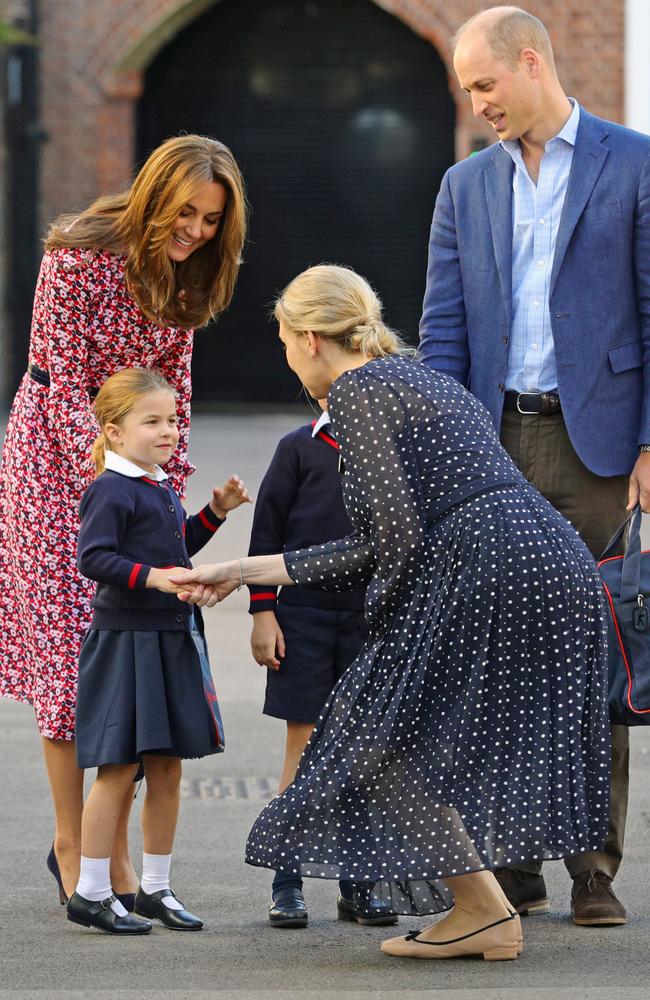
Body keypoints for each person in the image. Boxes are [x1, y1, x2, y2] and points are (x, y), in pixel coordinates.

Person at [171, 264, 610, 962]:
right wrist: (245, 571)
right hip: (550, 561)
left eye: (285, 342)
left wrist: (384, 640)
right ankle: (486, 910)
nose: (287, 359)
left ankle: (482, 911)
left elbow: (387, 543)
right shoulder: (424, 378)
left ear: (311, 338)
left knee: (371, 736)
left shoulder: (356, 392)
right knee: (426, 740)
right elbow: (391, 535)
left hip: (483, 567)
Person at [418, 5, 650, 926]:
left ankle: (595, 867)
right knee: (500, 657)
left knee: (597, 651)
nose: (478, 106)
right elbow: (442, 326)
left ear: (530, 62)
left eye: (484, 86)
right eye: (468, 93)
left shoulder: (633, 163)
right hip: (490, 444)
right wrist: (439, 449)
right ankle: (514, 867)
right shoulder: (463, 185)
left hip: (597, 448)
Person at [0, 133, 247, 908]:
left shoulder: (189, 275)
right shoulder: (76, 254)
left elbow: (176, 387)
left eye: (211, 221)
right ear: (152, 196)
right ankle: (74, 847)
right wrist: (118, 483)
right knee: (74, 661)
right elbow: (67, 384)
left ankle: (111, 853)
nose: (197, 232)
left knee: (135, 656)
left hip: (138, 466)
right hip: (54, 462)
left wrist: (167, 497)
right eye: (187, 213)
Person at [66, 367, 250, 935]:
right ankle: (91, 893)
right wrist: (157, 580)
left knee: (167, 769)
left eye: (172, 420)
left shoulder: (157, 482)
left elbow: (174, 548)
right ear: (115, 431)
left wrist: (214, 513)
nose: (168, 430)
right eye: (153, 421)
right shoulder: (110, 487)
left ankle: (155, 888)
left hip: (170, 640)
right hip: (127, 644)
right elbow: (94, 559)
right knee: (118, 769)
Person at [248, 401, 395, 927]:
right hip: (302, 615)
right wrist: (263, 613)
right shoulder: (297, 448)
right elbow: (266, 534)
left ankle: (360, 882)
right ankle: (286, 879)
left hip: (371, 618)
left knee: (365, 751)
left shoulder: (390, 448)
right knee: (304, 745)